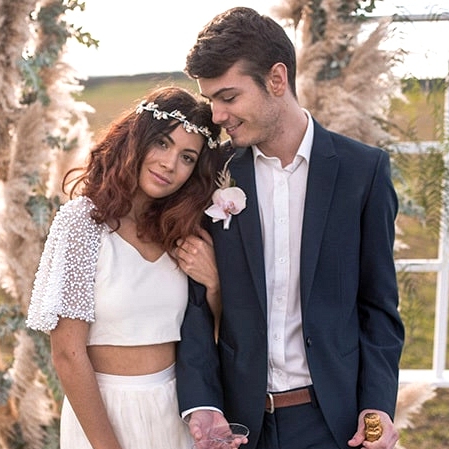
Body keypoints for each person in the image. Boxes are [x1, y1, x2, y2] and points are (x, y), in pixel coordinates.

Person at [174, 7, 405, 449]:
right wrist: (202, 403)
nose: (217, 116)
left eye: (228, 97)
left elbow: (378, 306)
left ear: (277, 79)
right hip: (238, 428)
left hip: (332, 424)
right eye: (211, 101)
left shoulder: (363, 172)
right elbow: (195, 304)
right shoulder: (212, 172)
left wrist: (377, 406)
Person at [25, 86, 223, 449]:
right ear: (137, 139)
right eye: (162, 143)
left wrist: (214, 286)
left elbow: (211, 336)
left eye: (187, 157)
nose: (169, 164)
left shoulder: (181, 231)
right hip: (106, 413)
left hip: (177, 409)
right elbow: (67, 354)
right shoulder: (82, 223)